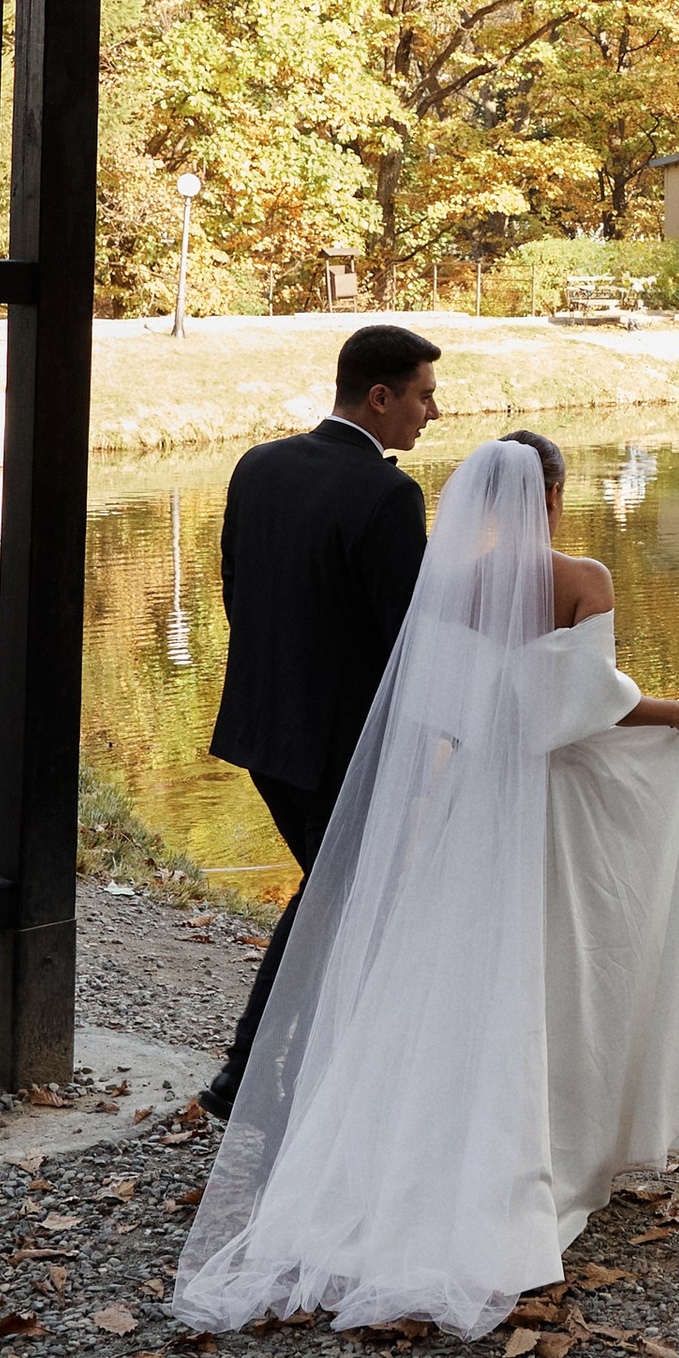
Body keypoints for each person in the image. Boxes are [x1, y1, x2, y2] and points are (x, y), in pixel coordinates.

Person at [174, 428, 679, 1339]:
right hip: (556, 807)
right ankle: (549, 1157)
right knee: (563, 967)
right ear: (554, 496)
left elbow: (442, 707)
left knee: (456, 974)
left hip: (473, 800)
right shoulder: (582, 580)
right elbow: (580, 708)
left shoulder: (446, 583)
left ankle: (417, 1155)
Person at [194, 321, 442, 1122]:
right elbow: (408, 637)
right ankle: (245, 1072)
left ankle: (317, 1065)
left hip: (262, 730)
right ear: (381, 397)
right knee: (335, 895)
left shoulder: (259, 464)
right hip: (342, 745)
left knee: (338, 896)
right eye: (424, 396)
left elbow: (237, 589)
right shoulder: (389, 494)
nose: (433, 413)